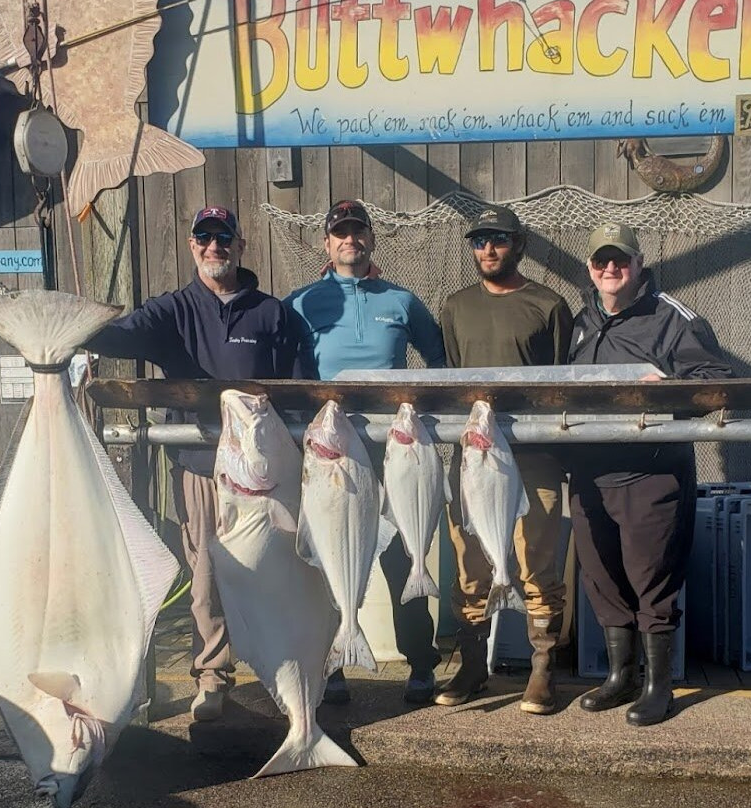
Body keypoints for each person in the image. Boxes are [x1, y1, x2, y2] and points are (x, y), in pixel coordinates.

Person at [87, 206, 297, 721]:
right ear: (191, 245)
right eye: (204, 237)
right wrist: (82, 323)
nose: (213, 246)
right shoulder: (172, 310)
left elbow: (299, 387)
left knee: (273, 571)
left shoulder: (273, 314)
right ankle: (213, 676)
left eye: (223, 237)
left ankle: (282, 671)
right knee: (205, 578)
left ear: (240, 245)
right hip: (201, 466)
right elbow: (117, 336)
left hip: (261, 473)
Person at [569, 222, 732, 726]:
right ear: (590, 269)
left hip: (653, 475)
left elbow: (717, 381)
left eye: (620, 260)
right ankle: (621, 676)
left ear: (639, 264)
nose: (610, 269)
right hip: (591, 477)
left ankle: (659, 685)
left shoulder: (674, 319)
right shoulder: (581, 321)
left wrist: (670, 388)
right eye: (601, 261)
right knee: (602, 579)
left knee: (652, 582)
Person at [284, 200, 446, 704]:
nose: (349, 239)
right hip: (329, 453)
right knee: (329, 557)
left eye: (358, 231)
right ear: (326, 244)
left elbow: (438, 359)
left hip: (391, 451)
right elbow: (287, 370)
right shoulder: (301, 303)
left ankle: (420, 664)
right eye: (340, 233)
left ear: (372, 240)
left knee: (403, 553)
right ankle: (332, 665)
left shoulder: (402, 301)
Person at [436, 204, 573, 715]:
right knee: (470, 562)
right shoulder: (455, 306)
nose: (488, 249)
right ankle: (473, 667)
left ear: (519, 245)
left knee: (535, 559)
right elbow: (451, 374)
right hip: (472, 456)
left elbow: (559, 380)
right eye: (479, 240)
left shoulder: (548, 303)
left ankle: (542, 671)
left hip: (532, 454)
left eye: (497, 239)